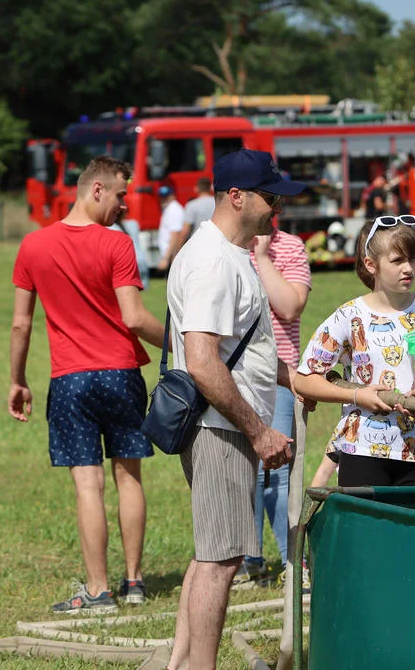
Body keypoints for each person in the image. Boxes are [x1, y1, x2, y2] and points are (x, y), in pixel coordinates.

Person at [165, 149, 308, 670]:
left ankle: (180, 663)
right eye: (269, 197)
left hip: (220, 424)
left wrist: (297, 380)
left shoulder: (231, 254)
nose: (276, 209)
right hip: (220, 427)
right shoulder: (213, 262)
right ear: (236, 197)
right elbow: (203, 361)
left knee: (211, 553)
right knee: (220, 561)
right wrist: (259, 431)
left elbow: (239, 353)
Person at [8, 155, 165, 614]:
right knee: (129, 477)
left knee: (88, 486)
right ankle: (134, 582)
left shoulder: (33, 246)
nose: (124, 206)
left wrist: (17, 380)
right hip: (120, 374)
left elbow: (21, 326)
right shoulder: (116, 246)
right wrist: (183, 343)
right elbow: (134, 318)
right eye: (120, 195)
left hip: (70, 380)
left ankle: (98, 591)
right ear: (96, 190)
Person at [293, 215, 415, 487]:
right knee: (366, 531)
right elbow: (304, 379)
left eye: (413, 259)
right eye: (397, 261)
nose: (408, 268)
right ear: (371, 265)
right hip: (362, 452)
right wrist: (357, 395)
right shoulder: (350, 316)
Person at [237, 224, 312, 583]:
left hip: (279, 375)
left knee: (279, 469)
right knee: (243, 472)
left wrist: (264, 258)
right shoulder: (227, 246)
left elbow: (290, 307)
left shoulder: (290, 247)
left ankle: (292, 563)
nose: (273, 211)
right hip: (234, 377)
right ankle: (248, 559)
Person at [156, 186, 185, 272]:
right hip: (171, 254)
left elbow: (176, 234)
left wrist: (167, 258)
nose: (163, 199)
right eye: (161, 196)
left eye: (166, 196)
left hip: (172, 255)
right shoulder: (169, 208)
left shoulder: (174, 209)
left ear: (172, 196)